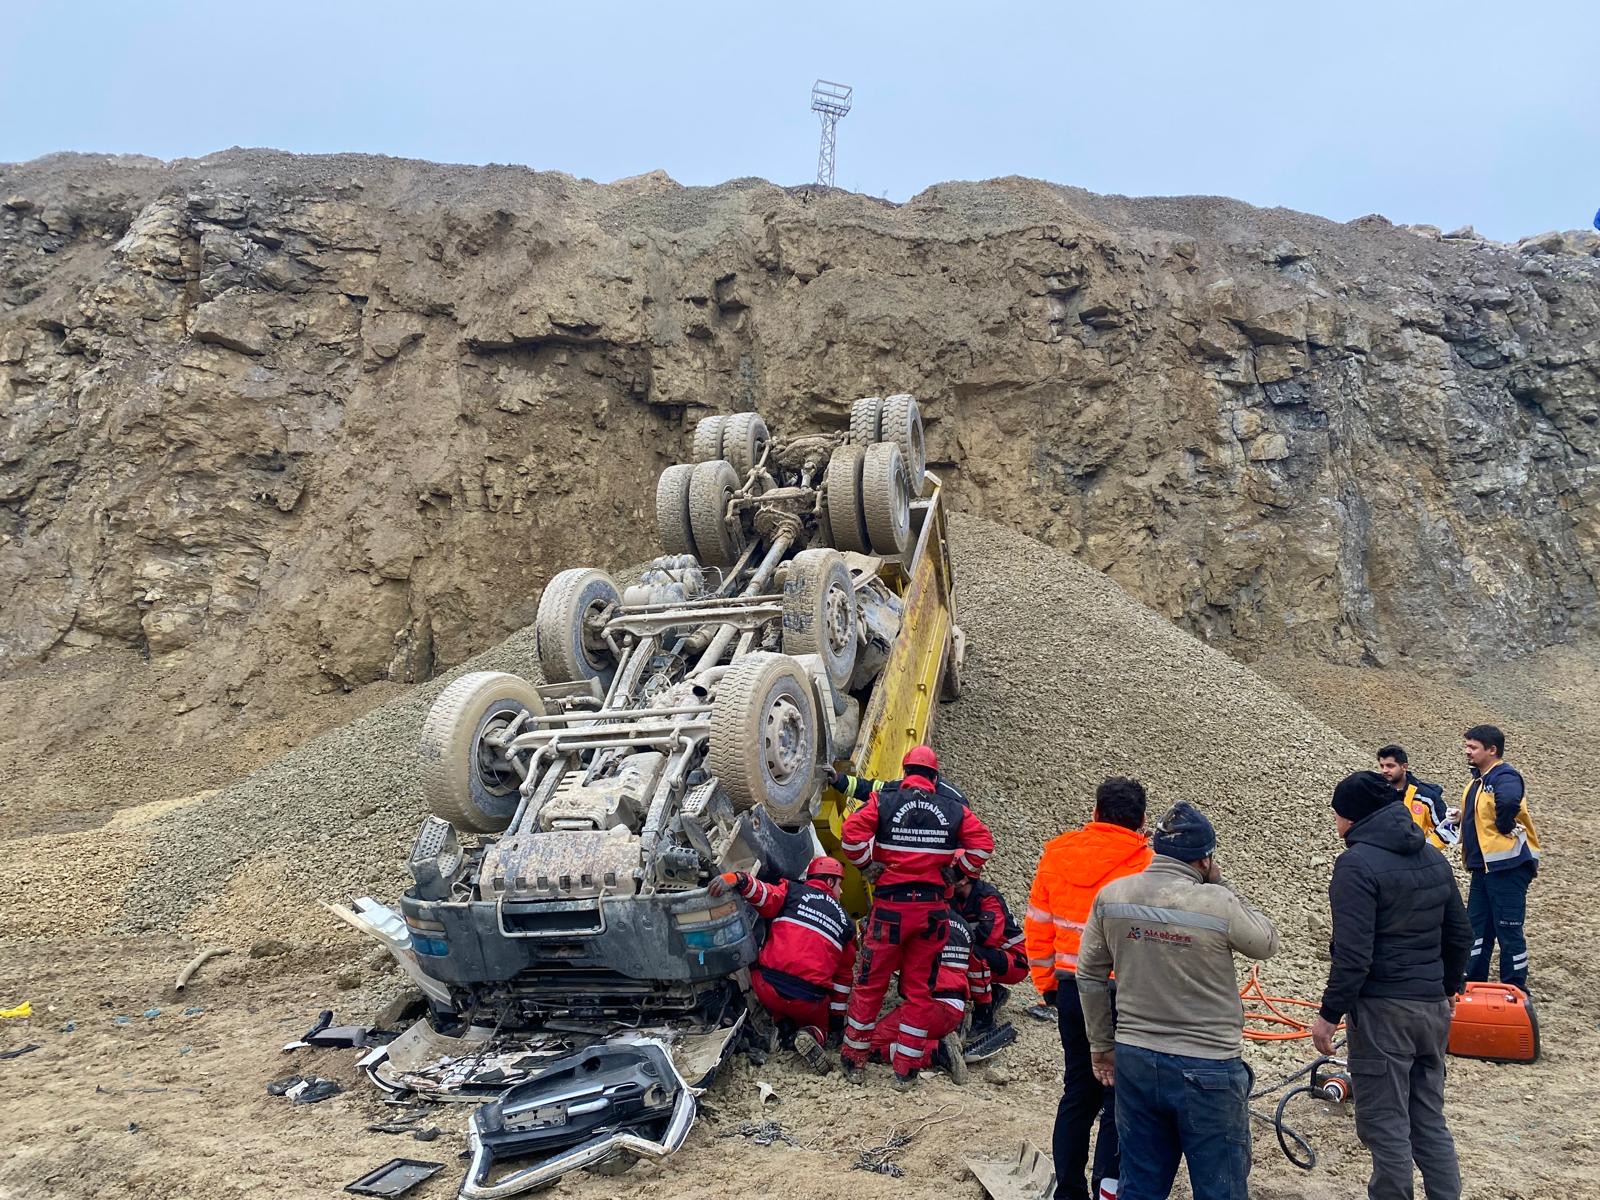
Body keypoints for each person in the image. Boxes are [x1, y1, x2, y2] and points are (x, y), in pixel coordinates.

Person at [1076, 802, 1279, 1200]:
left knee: (1140, 1184)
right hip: (1208, 1065)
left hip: (1135, 1058)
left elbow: (1089, 976)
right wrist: (1222, 884)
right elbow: (1266, 942)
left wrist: (1101, 1046)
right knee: (1220, 1187)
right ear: (1205, 858)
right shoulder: (1217, 902)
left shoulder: (1113, 896)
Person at [1310, 771, 1472, 1200]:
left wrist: (1328, 1015)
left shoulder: (1356, 865)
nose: (1335, 822)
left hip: (1384, 1014)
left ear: (1353, 816)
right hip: (1431, 1009)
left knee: (1386, 1125)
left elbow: (1353, 956)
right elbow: (1460, 934)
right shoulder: (1432, 856)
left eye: (1337, 814)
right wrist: (1449, 988)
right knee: (1428, 1120)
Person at [1024, 777, 1154, 1200]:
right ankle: (1107, 1189)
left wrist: (1047, 985)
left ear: (1096, 812)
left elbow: (1038, 926)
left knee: (1078, 1091)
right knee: (1120, 1096)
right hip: (1124, 995)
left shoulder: (1057, 853)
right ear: (1142, 821)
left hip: (1071, 989)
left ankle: (1069, 1190)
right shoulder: (1148, 865)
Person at [838, 744, 994, 1087]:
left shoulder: (884, 801)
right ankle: (906, 1071)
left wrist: (867, 866)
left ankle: (854, 1062)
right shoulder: (953, 809)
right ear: (934, 778)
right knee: (920, 991)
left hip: (890, 910)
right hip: (931, 912)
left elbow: (850, 834)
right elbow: (984, 843)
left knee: (870, 984)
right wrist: (957, 872)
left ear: (905, 773)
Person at [708, 856, 856, 1073]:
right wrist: (835, 1021)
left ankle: (782, 1026)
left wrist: (738, 878)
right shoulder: (846, 924)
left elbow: (763, 895)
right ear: (830, 881)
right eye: (840, 885)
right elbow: (843, 980)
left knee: (762, 961)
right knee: (820, 1025)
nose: (841, 892)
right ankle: (811, 1034)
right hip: (808, 1001)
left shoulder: (792, 891)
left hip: (767, 987)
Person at [1458, 724, 1539, 993]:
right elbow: (1485, 813)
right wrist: (1461, 818)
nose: (1467, 751)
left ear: (1492, 750)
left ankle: (1515, 987)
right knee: (1477, 928)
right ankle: (1474, 982)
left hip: (1508, 867)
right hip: (1484, 868)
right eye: (1467, 746)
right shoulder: (1478, 782)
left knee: (1508, 929)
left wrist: (1505, 825)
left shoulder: (1504, 776)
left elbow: (1509, 801)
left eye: (1473, 747)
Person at [868, 904, 986, 1084]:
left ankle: (937, 1052)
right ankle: (949, 1035)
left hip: (930, 1007)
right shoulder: (964, 927)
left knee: (870, 1044)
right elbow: (978, 970)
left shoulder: (914, 919)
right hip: (955, 1008)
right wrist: (985, 1011)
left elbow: (885, 963)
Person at [954, 874, 1029, 1032]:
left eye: (949, 872)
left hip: (1014, 960)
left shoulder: (987, 897)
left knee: (970, 954)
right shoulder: (954, 897)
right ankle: (993, 994)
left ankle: (984, 1016)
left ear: (964, 878)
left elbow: (988, 937)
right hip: (995, 955)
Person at [1376, 744, 1455, 850]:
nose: (1384, 770)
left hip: (1415, 857)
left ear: (1404, 767)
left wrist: (1424, 850)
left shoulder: (1426, 796)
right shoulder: (1374, 793)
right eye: (1382, 766)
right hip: (1381, 855)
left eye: (1390, 766)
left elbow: (1447, 827)